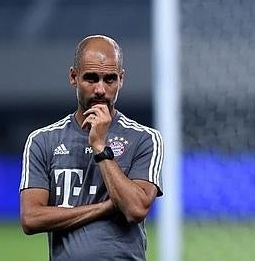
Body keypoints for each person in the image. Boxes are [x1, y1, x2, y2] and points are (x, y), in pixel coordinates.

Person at [19, 35, 163, 261]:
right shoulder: (43, 140)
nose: (100, 89)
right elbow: (31, 218)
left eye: (110, 79)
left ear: (121, 79)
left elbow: (135, 209)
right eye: (91, 78)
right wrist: (104, 207)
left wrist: (99, 145)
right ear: (73, 77)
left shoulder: (144, 139)